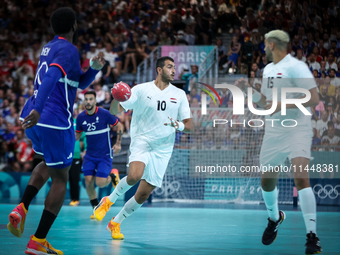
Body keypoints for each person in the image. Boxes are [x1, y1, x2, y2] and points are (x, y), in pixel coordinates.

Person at [6, 7, 105, 255]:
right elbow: (51, 77)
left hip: (35, 120)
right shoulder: (69, 49)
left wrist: (92, 69)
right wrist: (39, 108)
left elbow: (78, 83)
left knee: (48, 164)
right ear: (73, 27)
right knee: (61, 178)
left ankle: (21, 207)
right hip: (52, 118)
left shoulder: (49, 47)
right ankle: (38, 240)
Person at [235, 30, 321, 254]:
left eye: (265, 44)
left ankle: (312, 236)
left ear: (272, 44)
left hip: (298, 129)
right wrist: (248, 91)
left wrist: (285, 105)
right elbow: (266, 103)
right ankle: (274, 218)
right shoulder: (268, 70)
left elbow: (314, 98)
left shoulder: (297, 67)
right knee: (266, 183)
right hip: (274, 131)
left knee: (301, 177)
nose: (263, 48)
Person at [93, 56, 192, 240]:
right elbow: (115, 110)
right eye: (170, 67)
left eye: (174, 67)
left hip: (163, 148)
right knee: (134, 176)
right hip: (142, 140)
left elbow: (190, 125)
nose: (173, 70)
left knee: (143, 194)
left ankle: (116, 222)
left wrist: (177, 125)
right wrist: (117, 97)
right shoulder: (140, 90)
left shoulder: (178, 95)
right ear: (159, 70)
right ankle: (108, 201)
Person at [75, 91, 123, 218]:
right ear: (84, 101)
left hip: (105, 155)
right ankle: (96, 208)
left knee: (100, 183)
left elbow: (120, 126)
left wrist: (118, 144)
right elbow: (77, 136)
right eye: (86, 99)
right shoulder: (80, 118)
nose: (88, 102)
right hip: (90, 155)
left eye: (91, 99)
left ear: (95, 101)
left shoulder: (104, 114)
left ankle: (112, 175)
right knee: (88, 182)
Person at [69, 110, 87, 207]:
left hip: (75, 156)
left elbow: (84, 137)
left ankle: (75, 199)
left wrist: (85, 149)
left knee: (74, 179)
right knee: (63, 179)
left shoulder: (77, 123)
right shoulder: (64, 122)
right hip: (64, 155)